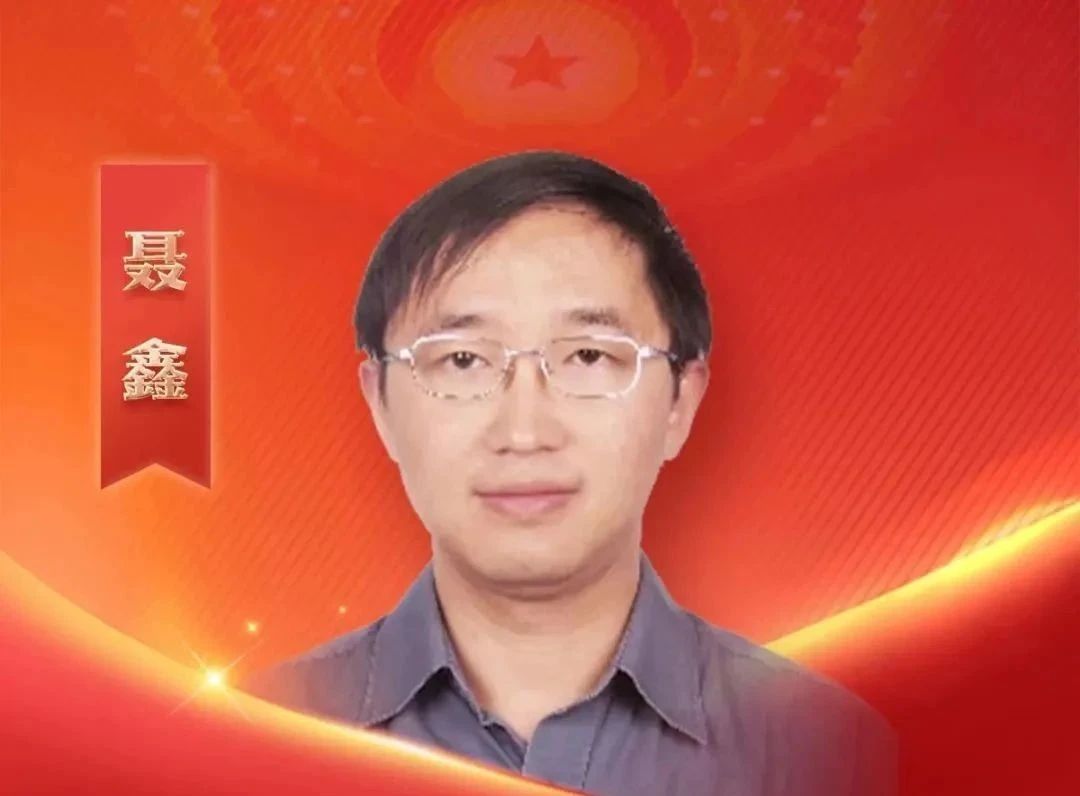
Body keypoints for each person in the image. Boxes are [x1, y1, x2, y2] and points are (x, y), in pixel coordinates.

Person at [241, 150, 898, 795]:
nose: (524, 432)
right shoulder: (255, 740)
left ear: (680, 402)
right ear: (381, 404)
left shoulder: (825, 750)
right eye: (463, 360)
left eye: (587, 356)